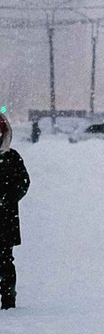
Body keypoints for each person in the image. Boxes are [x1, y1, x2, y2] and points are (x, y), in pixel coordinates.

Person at [0, 113, 28, 310]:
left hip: (6, 219)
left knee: (5, 260)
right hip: (7, 217)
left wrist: (8, 198)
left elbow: (23, 182)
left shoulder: (12, 157)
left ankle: (8, 299)